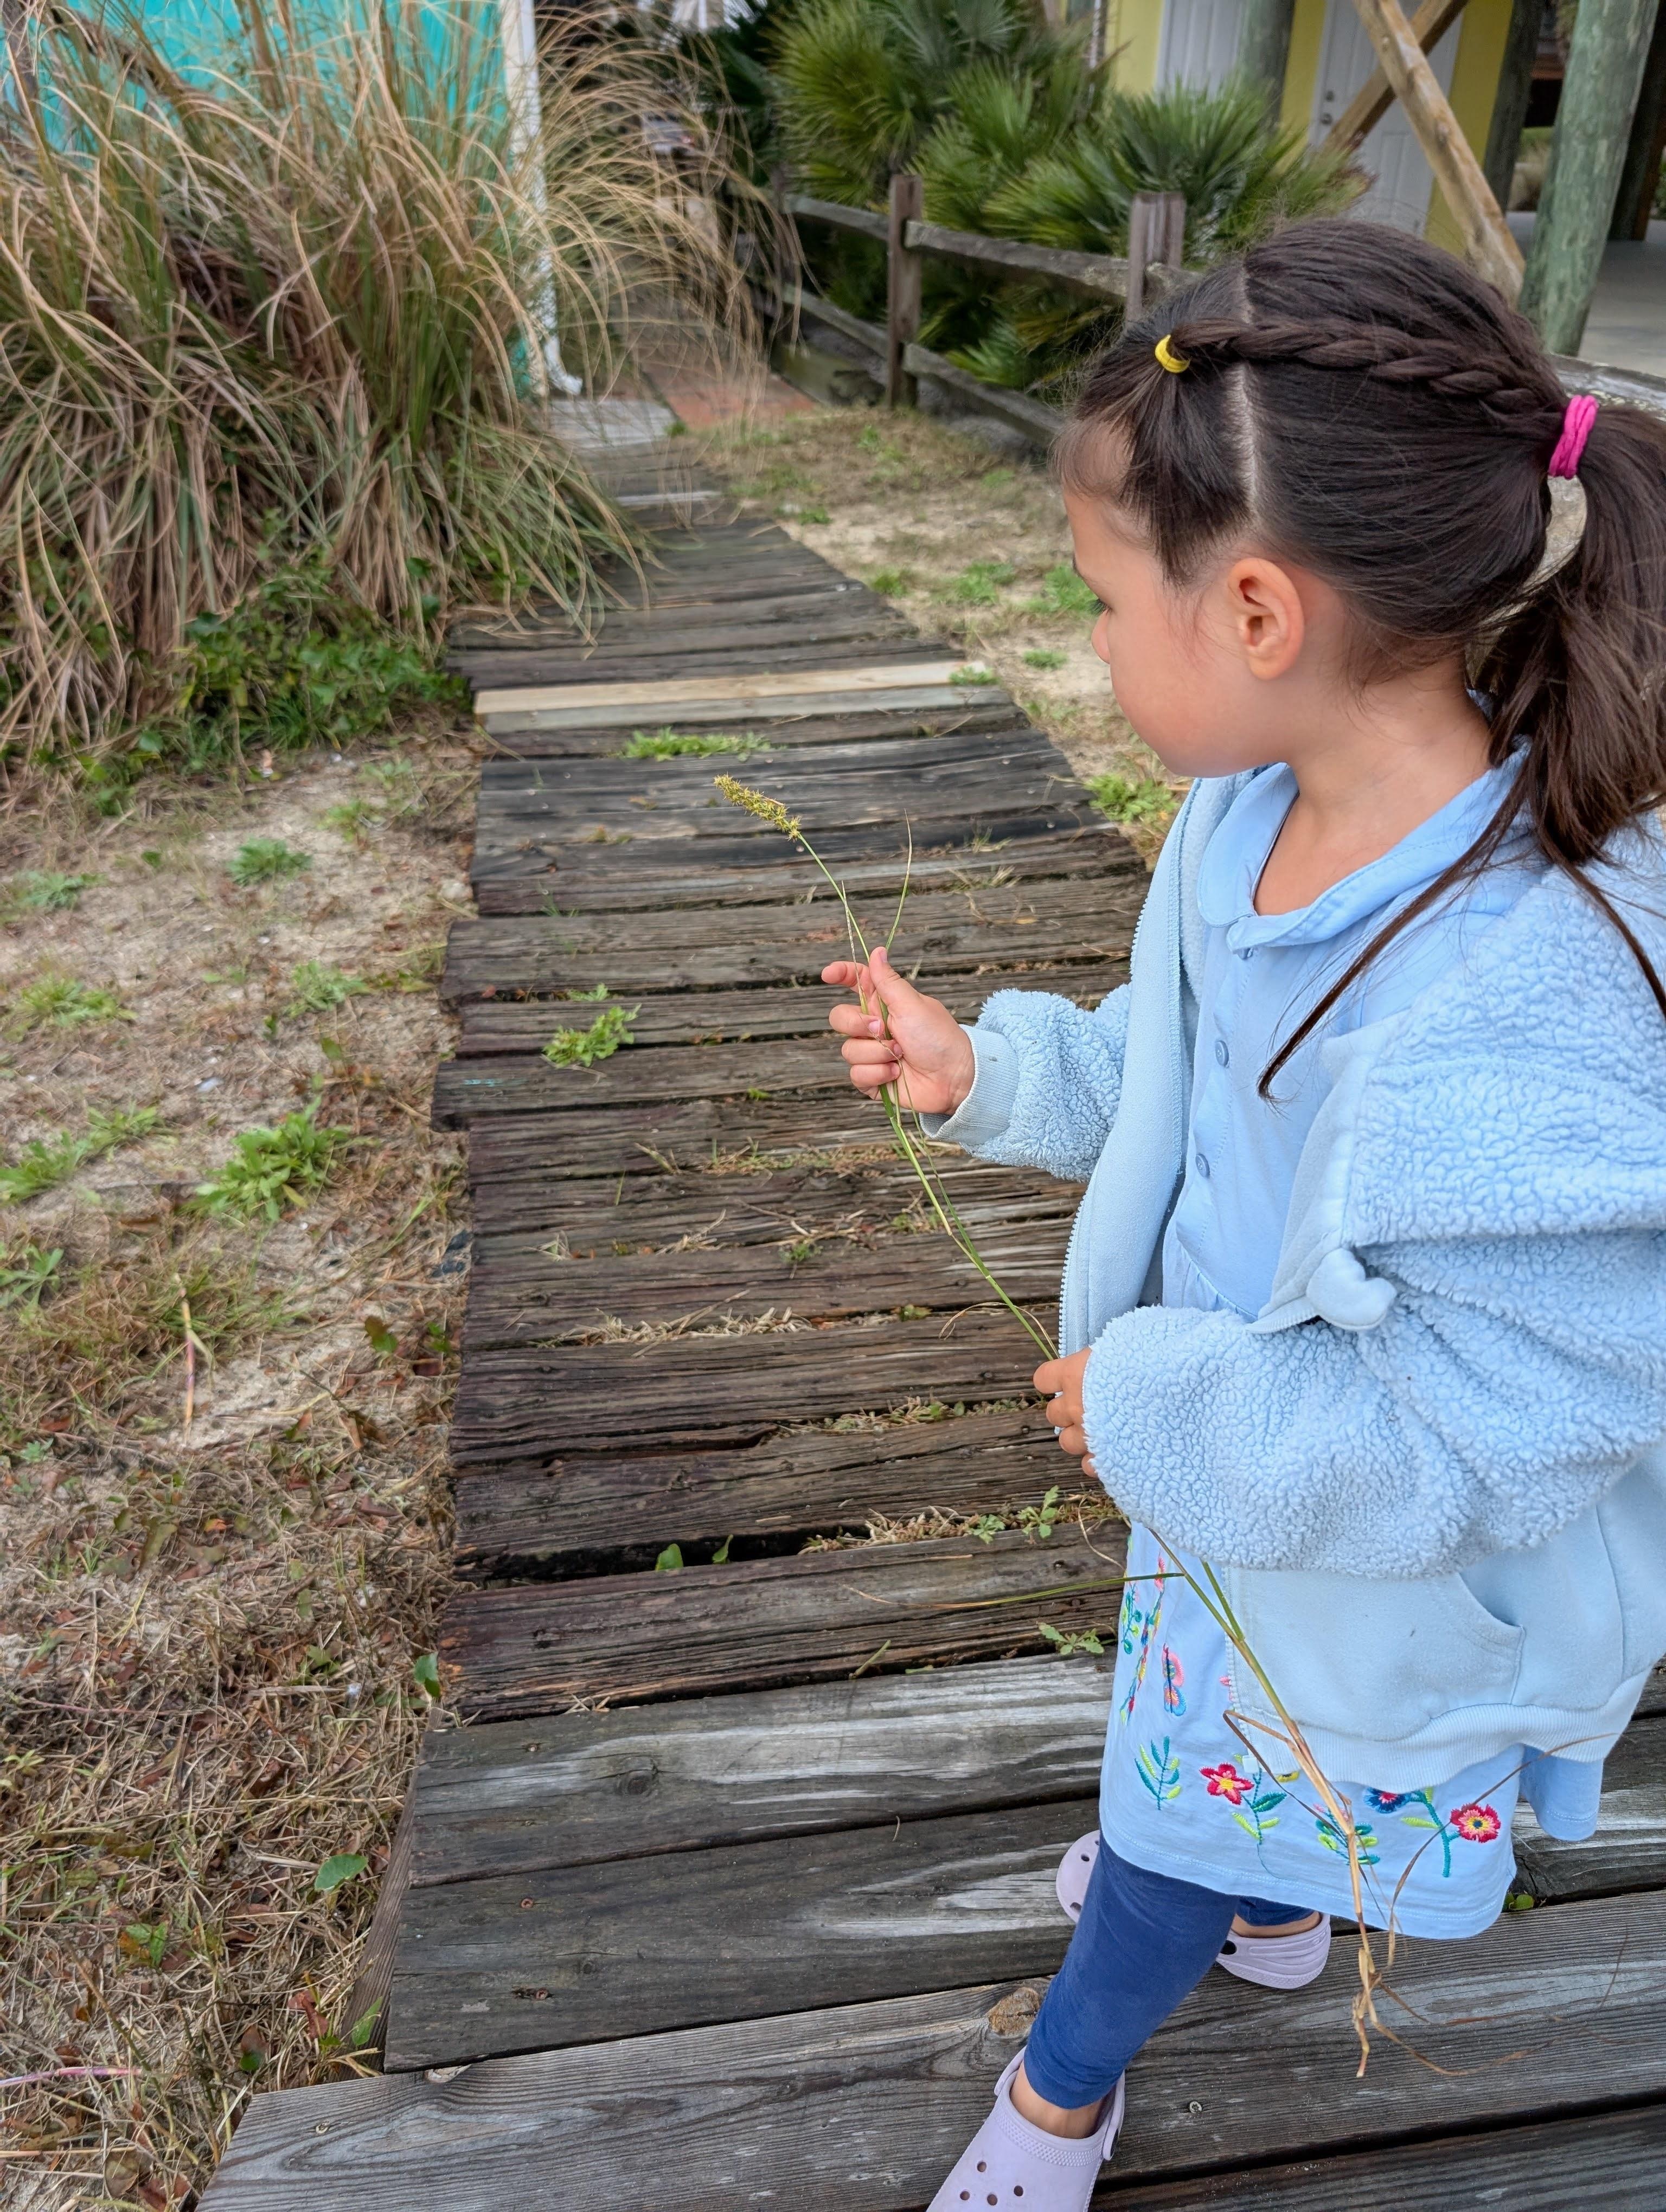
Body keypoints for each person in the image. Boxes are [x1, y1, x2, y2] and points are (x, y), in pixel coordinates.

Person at [822, 218, 1666, 2209]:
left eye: (1108, 605)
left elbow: (1499, 1420)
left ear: (1263, 614)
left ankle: (1063, 2087)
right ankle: (1270, 1902)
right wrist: (1005, 1075)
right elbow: (1193, 1080)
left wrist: (1160, 1410)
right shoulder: (1246, 820)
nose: (1098, 647)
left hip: (1347, 1544)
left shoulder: (1533, 989)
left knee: (1177, 1824)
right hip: (1217, 1488)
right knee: (1221, 1769)